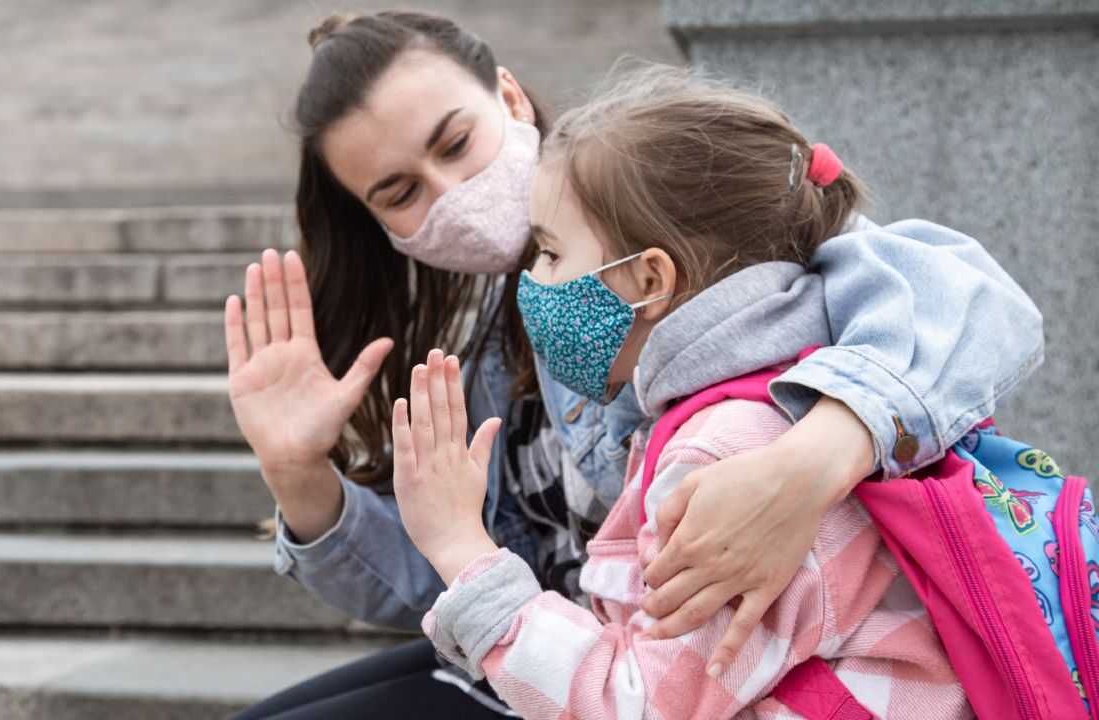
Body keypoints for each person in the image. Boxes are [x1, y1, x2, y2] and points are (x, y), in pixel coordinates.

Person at [224, 10, 1040, 718]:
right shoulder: (488, 349)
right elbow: (447, 572)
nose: (451, 192)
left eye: (456, 143)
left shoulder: (689, 209)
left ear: (508, 98)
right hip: (577, 652)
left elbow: (968, 299)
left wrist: (812, 460)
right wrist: (300, 474)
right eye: (401, 193)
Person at [394, 62, 975, 718]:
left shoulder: (722, 458)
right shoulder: (782, 393)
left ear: (649, 280)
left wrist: (459, 547)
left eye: (551, 252)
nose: (534, 277)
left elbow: (639, 705)